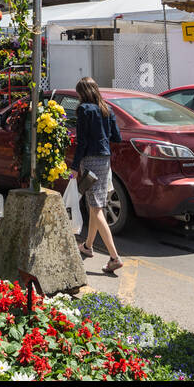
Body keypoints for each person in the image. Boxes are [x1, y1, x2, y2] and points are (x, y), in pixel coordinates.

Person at [72, 76, 123, 274]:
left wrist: (75, 166)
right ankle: (88, 245)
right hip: (104, 160)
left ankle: (114, 257)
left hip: (90, 160)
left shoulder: (84, 110)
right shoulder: (107, 109)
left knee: (96, 208)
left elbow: (82, 142)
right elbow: (116, 137)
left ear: (82, 93)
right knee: (95, 205)